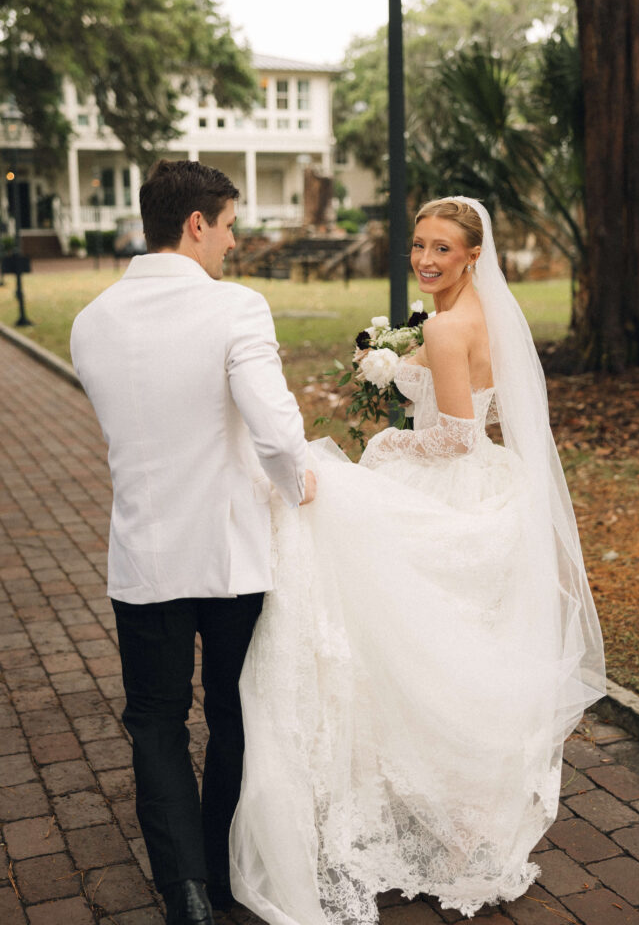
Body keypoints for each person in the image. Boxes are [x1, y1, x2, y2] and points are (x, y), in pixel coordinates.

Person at [230, 197, 605, 924]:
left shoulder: (441, 327)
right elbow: (484, 414)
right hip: (494, 484)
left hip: (450, 482)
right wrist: (399, 369)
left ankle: (444, 805)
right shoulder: (491, 316)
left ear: (472, 255)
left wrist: (388, 443)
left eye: (442, 249)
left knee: (410, 641)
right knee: (462, 651)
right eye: (418, 246)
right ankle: (466, 811)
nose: (426, 260)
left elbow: (457, 436)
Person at [70, 159, 316, 925]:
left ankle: (185, 891)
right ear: (197, 224)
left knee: (154, 719)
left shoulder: (90, 320)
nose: (233, 242)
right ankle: (221, 861)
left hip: (145, 554)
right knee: (236, 711)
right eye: (230, 225)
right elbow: (273, 427)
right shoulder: (235, 308)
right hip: (233, 552)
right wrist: (299, 478)